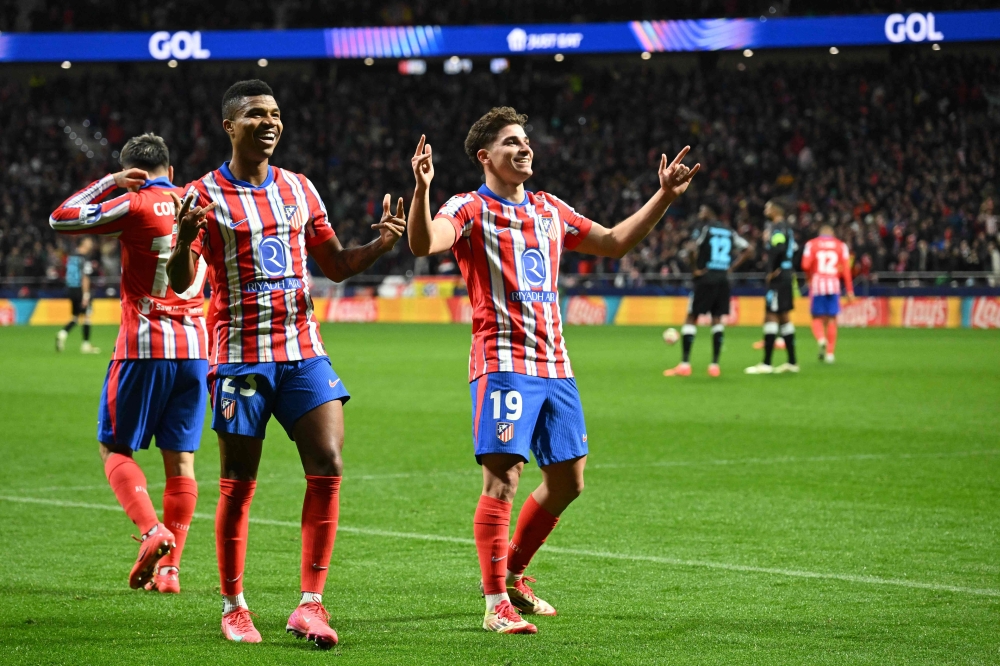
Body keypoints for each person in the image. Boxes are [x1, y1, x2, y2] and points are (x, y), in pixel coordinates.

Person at [406, 107, 699, 634]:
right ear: (485, 156)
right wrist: (423, 190)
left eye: (526, 140)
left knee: (568, 480)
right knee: (503, 478)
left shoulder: (549, 210)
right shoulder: (468, 208)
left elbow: (612, 242)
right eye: (511, 142)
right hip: (504, 364)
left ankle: (513, 574)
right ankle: (494, 601)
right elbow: (426, 242)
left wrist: (665, 197)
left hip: (556, 364)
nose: (524, 149)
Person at [166, 79, 406, 648]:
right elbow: (181, 285)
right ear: (230, 126)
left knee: (328, 461)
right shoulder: (202, 196)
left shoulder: (300, 189)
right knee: (239, 483)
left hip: (303, 352)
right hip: (242, 359)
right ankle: (234, 606)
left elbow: (337, 264)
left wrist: (380, 245)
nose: (269, 122)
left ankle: (310, 605)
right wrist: (180, 243)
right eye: (255, 114)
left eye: (274, 114)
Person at [49, 133, 208, 593]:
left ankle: (151, 530)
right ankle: (170, 569)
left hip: (143, 345)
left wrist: (110, 183)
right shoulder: (200, 206)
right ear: (172, 171)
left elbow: (62, 218)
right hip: (195, 349)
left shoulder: (136, 203)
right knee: (181, 463)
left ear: (132, 173)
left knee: (115, 450)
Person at [664, 204, 752, 377]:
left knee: (692, 317)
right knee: (717, 319)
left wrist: (694, 269)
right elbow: (748, 249)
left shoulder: (705, 229)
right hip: (723, 279)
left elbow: (691, 249)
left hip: (705, 278)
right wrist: (731, 268)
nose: (700, 212)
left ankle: (685, 364)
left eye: (702, 209)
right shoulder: (728, 230)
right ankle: (714, 365)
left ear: (710, 211)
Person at [746, 198, 799, 374]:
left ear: (776, 210)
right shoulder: (786, 227)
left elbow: (779, 247)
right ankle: (792, 362)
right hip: (786, 274)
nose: (765, 209)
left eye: (768, 207)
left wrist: (772, 270)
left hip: (779, 276)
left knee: (771, 315)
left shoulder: (777, 227)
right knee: (784, 316)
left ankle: (767, 364)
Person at [801, 224, 854, 363]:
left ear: (820, 233)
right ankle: (830, 354)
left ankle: (821, 338)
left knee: (816, 318)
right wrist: (849, 290)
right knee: (832, 319)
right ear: (832, 233)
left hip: (818, 284)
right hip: (833, 284)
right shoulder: (841, 246)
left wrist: (809, 277)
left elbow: (805, 265)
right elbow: (847, 270)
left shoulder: (811, 244)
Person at [56, 236, 100, 353]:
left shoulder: (71, 256)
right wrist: (86, 295)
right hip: (81, 290)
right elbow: (85, 277)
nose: (91, 244)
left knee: (75, 317)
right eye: (89, 241)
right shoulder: (84, 258)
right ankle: (85, 345)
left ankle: (62, 334)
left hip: (71, 288)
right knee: (86, 317)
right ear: (83, 244)